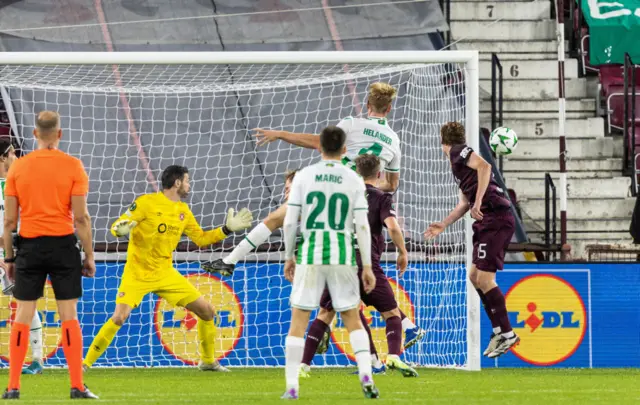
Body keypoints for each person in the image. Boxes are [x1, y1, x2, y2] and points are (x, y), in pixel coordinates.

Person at [82, 165, 253, 372]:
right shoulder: (146, 202)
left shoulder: (183, 210)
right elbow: (119, 225)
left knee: (207, 311)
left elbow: (200, 239)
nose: (189, 186)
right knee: (119, 317)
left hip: (165, 273)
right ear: (178, 182)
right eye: (187, 181)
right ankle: (85, 364)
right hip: (137, 272)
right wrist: (121, 230)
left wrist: (226, 229)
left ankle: (208, 361)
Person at [3, 111, 98, 399]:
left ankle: (13, 387)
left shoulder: (18, 168)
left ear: (34, 134)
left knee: (23, 314)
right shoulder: (73, 166)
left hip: (29, 247)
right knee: (68, 315)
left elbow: (9, 222)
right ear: (59, 134)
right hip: (62, 246)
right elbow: (81, 218)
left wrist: (9, 258)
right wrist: (89, 256)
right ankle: (77, 385)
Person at [281, 126, 379, 400]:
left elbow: (291, 221)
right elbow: (362, 225)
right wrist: (368, 266)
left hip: (310, 255)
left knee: (298, 321)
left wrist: (289, 256)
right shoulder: (354, 179)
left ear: (319, 147)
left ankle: (291, 386)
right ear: (345, 149)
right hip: (342, 255)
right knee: (351, 317)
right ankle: (366, 376)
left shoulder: (304, 176)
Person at [299, 154, 418, 378]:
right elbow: (392, 227)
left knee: (325, 313)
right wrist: (403, 251)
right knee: (392, 313)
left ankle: (303, 365)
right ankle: (393, 356)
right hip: (366, 266)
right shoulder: (381, 198)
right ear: (380, 174)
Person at [424, 122, 519, 359]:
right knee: (474, 276)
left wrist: (478, 203)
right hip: (487, 221)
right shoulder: (458, 166)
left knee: (485, 278)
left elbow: (485, 166)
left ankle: (508, 334)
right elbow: (464, 204)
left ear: (442, 141)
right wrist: (444, 224)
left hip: (496, 217)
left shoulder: (458, 151)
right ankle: (499, 331)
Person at [0, 139, 45, 375]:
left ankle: (37, 360)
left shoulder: (21, 186)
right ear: (2, 158)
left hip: (15, 254)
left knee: (26, 304)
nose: (16, 157)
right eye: (12, 153)